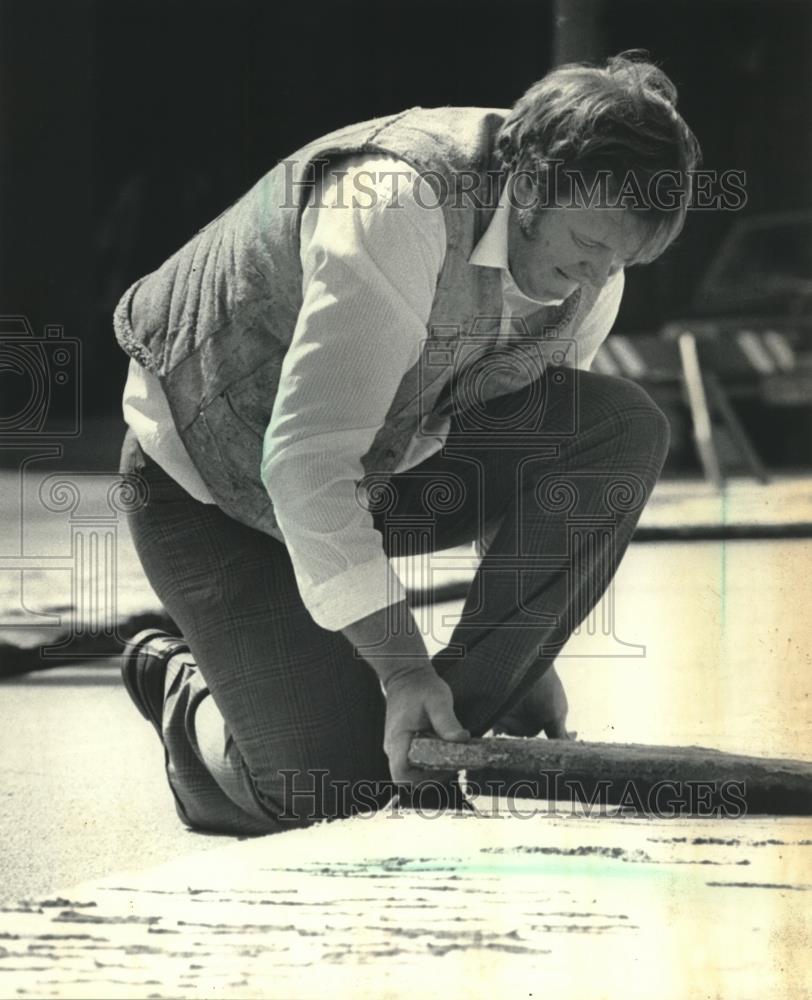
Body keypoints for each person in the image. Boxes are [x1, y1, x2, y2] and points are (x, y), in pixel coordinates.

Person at [116, 51, 700, 834]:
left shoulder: (591, 273)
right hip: (209, 486)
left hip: (379, 476)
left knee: (621, 424)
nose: (597, 280)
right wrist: (400, 666)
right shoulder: (399, 200)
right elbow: (307, 463)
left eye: (621, 259)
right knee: (328, 792)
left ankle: (427, 732)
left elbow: (538, 453)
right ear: (529, 184)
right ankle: (182, 685)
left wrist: (521, 654)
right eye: (590, 244)